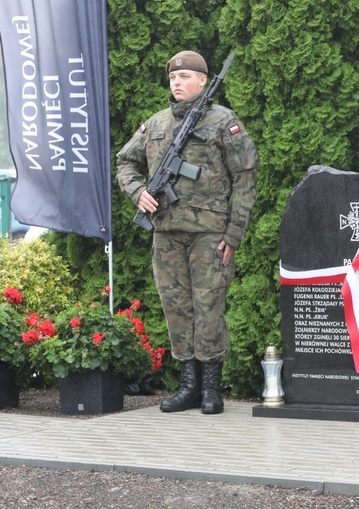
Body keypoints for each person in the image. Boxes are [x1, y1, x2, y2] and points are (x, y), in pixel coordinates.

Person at [117, 50, 259, 415]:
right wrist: (140, 192)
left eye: (184, 77)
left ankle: (211, 387)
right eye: (172, 79)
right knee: (176, 308)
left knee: (209, 306)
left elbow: (245, 176)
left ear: (202, 80)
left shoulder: (222, 121)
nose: (176, 83)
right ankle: (189, 386)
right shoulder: (157, 123)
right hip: (166, 233)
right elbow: (125, 163)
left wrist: (234, 232)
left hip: (210, 233)